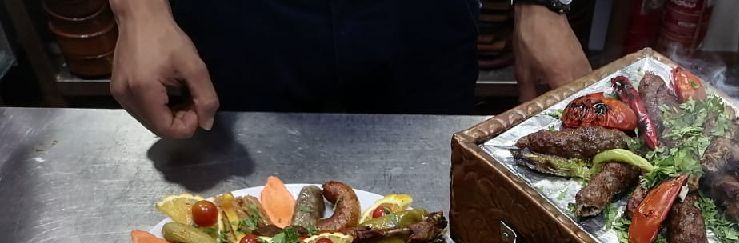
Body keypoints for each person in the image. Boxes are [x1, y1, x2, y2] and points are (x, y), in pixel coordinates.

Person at [109, 0, 592, 139]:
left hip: (420, 18)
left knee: (434, 217)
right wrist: (137, 10)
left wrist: (541, 4)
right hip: (241, 19)